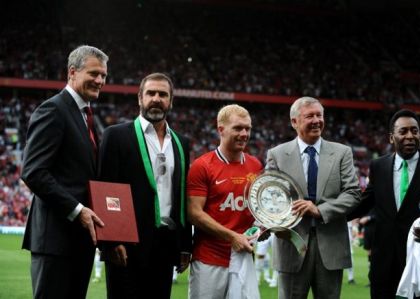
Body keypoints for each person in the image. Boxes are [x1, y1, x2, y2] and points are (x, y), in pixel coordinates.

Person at [21, 45, 108, 299]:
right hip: (55, 241)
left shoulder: (85, 115)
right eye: (94, 73)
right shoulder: (54, 110)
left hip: (79, 241)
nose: (100, 80)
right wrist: (78, 210)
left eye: (103, 75)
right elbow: (34, 171)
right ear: (72, 72)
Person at [98, 72, 192, 298]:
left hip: (165, 245)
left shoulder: (181, 143)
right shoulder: (116, 135)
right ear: (140, 98)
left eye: (163, 94)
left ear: (171, 101)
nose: (156, 99)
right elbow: (106, 190)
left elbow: (182, 195)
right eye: (151, 93)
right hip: (127, 245)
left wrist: (185, 245)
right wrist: (111, 240)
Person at [350, 109, 420, 299]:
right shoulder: (378, 167)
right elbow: (362, 204)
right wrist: (325, 212)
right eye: (403, 131)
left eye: (414, 131)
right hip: (383, 266)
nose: (410, 136)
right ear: (392, 137)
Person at [266, 96, 361, 299]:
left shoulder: (342, 153)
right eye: (310, 116)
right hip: (291, 248)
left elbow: (353, 193)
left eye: (320, 115)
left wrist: (320, 210)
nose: (317, 120)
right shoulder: (277, 154)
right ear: (294, 122)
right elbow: (268, 197)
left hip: (331, 248)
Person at [187, 104, 263, 299]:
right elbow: (194, 213)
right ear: (221, 129)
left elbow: (257, 210)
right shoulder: (202, 165)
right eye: (238, 128)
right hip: (209, 260)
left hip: (244, 257)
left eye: (248, 128)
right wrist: (232, 237)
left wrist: (264, 227)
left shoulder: (255, 165)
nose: (244, 133)